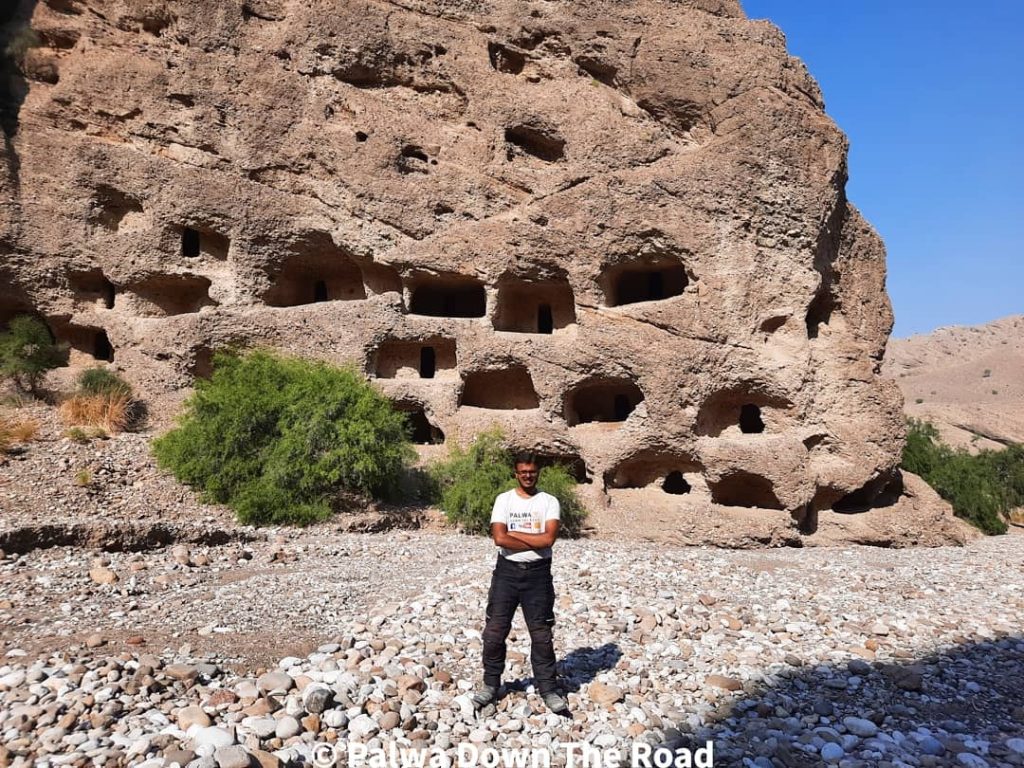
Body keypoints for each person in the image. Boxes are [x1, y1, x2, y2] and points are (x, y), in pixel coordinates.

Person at [472, 452, 570, 716]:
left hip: (538, 575)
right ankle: (491, 684)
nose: (528, 475)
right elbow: (499, 539)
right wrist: (530, 538)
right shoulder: (504, 500)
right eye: (523, 471)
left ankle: (548, 689)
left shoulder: (549, 501)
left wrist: (513, 534)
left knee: (541, 635)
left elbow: (548, 540)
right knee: (494, 632)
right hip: (506, 573)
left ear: (538, 472)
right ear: (516, 473)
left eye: (532, 471)